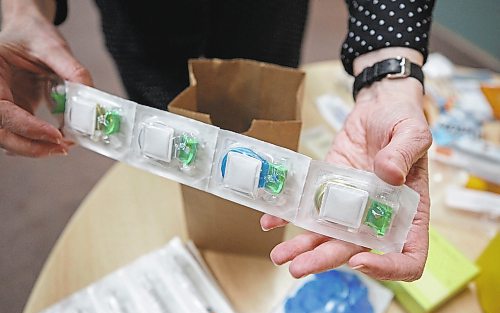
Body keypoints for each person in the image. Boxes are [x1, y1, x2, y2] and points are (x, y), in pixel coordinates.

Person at [0, 0, 434, 281]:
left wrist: (388, 77)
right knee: (162, 125)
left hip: (265, 16)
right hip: (143, 23)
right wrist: (20, 8)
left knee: (266, 111)